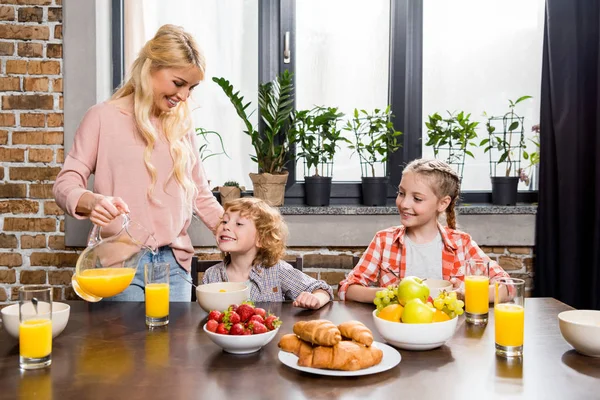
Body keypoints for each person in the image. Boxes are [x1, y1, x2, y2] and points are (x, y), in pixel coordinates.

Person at [53, 25, 223, 301]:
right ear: (150, 68)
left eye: (191, 88)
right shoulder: (101, 117)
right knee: (123, 345)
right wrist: (91, 201)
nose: (183, 96)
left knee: (172, 345)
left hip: (175, 267)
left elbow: (200, 194)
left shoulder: (182, 125)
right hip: (118, 265)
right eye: (178, 83)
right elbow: (65, 183)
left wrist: (230, 228)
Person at [339, 158, 509, 303]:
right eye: (401, 193)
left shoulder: (461, 243)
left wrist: (465, 296)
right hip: (398, 330)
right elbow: (347, 289)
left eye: (417, 198)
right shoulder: (384, 240)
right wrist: (390, 293)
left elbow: (507, 287)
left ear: (443, 203)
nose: (404, 204)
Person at [201, 198, 333, 309]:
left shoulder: (277, 271)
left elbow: (323, 289)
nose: (226, 226)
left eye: (239, 223)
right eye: (224, 221)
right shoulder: (211, 275)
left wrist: (315, 299)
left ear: (261, 239)